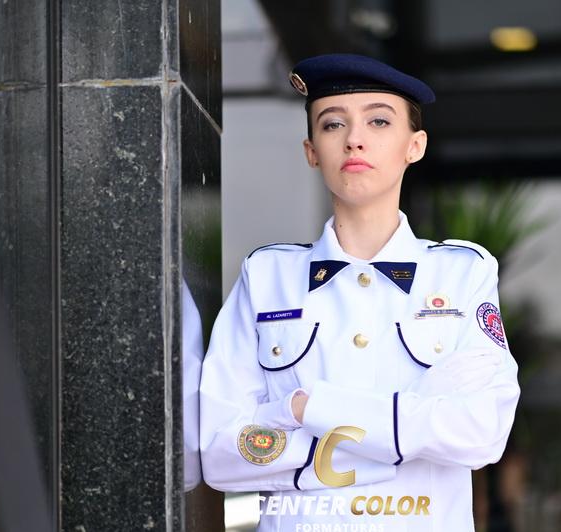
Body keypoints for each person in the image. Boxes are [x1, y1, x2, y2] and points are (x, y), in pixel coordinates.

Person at [199, 53, 520, 531]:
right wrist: (401, 439)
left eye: (378, 121)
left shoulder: (460, 275)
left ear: (415, 146)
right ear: (312, 151)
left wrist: (306, 409)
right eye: (333, 124)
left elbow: (481, 431)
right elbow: (222, 453)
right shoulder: (267, 278)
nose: (354, 139)